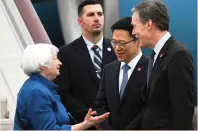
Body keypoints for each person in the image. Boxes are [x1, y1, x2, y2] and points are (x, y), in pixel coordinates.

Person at [13, 44, 110, 130]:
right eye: (55, 58)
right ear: (42, 64)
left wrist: (86, 124)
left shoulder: (42, 88)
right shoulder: (36, 92)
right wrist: (86, 124)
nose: (60, 63)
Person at [131, 0, 195, 130]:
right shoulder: (155, 55)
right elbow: (151, 108)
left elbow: (183, 110)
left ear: (148, 24)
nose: (133, 32)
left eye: (134, 26)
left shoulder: (178, 54)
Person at [54, 0, 117, 124]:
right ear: (80, 21)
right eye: (91, 15)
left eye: (100, 14)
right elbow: (63, 91)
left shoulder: (117, 50)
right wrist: (87, 117)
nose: (97, 18)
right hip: (84, 123)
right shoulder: (66, 53)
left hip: (115, 122)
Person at [96, 17, 148, 130]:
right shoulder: (109, 69)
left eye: (122, 43)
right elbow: (101, 103)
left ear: (138, 41)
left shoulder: (151, 69)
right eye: (114, 42)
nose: (117, 48)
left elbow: (150, 108)